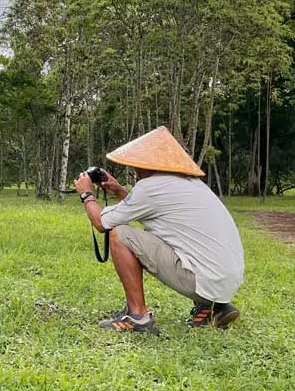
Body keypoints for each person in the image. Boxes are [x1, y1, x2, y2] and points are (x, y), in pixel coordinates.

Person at [75, 126, 245, 334]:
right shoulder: (190, 184)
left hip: (204, 280)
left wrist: (87, 195)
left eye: (136, 165)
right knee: (187, 243)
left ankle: (138, 316)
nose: (135, 170)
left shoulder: (149, 188)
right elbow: (154, 208)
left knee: (120, 234)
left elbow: (102, 224)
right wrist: (119, 191)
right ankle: (215, 308)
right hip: (227, 280)